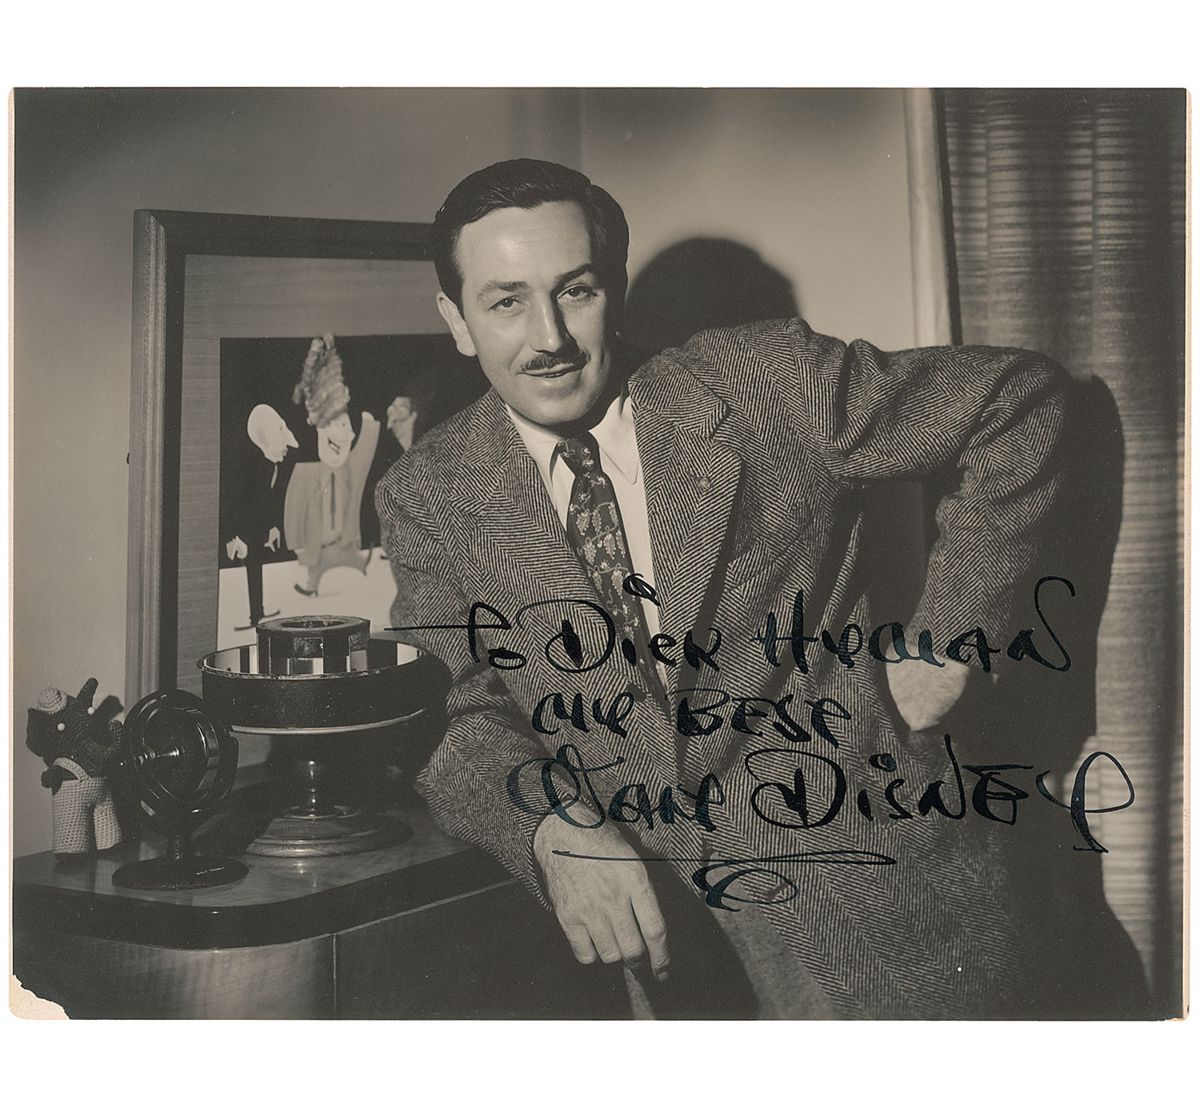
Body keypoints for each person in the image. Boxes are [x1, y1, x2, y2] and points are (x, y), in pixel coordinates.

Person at [376, 159, 1146, 1019]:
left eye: (576, 291)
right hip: (682, 963)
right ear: (456, 320)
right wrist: (551, 829)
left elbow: (1022, 403)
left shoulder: (760, 380)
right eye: (506, 302)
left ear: (614, 288)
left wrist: (949, 640)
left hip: (895, 915)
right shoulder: (427, 494)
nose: (548, 336)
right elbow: (457, 712)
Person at [226, 403, 297, 629]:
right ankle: (254, 615)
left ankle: (257, 612)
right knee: (252, 567)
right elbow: (238, 501)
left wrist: (273, 527)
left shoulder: (271, 467)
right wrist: (235, 536)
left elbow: (268, 502)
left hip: (257, 529)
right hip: (245, 529)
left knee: (255, 567)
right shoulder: (254, 466)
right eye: (284, 446)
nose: (286, 451)